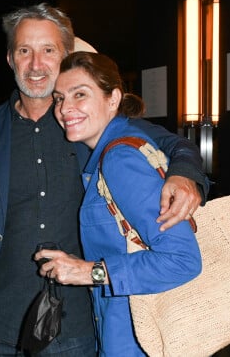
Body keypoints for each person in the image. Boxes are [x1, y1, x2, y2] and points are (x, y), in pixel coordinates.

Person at [0, 3, 209, 356]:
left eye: (48, 50)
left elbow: (172, 143)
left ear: (65, 57)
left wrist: (186, 175)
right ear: (10, 58)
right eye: (24, 50)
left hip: (81, 320)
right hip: (1, 317)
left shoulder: (90, 126)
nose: (36, 63)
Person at [36, 51, 202, 355]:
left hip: (140, 340)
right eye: (59, 98)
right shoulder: (107, 151)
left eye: (80, 95)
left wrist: (89, 272)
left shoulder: (120, 159)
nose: (65, 109)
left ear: (113, 98)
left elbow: (183, 260)